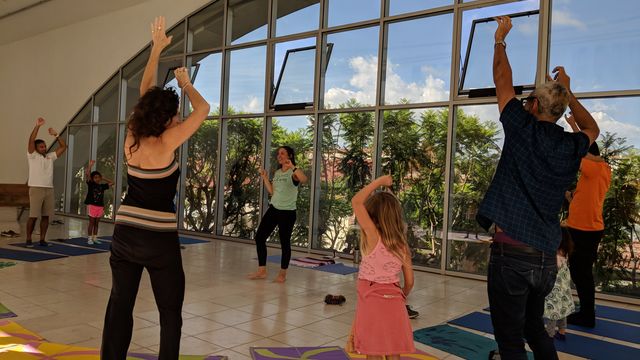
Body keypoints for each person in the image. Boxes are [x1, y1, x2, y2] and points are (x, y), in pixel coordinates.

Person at [477, 16, 599, 360]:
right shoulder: (571, 146)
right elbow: (593, 128)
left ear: (532, 106)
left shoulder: (521, 129)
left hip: (511, 256)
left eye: (529, 99)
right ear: (559, 112)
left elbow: (502, 79)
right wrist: (568, 93)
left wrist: (500, 40)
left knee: (511, 342)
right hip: (545, 260)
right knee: (534, 327)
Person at [101, 16, 210, 360]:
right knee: (170, 315)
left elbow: (145, 89)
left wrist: (156, 50)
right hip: (159, 240)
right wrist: (186, 84)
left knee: (119, 305)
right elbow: (204, 109)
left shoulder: (132, 136)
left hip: (125, 232)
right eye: (175, 115)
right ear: (165, 119)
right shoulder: (167, 141)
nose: (178, 119)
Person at [346, 175, 415, 359]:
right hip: (395, 302)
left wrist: (380, 182)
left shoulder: (373, 236)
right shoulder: (402, 245)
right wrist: (399, 296)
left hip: (372, 304)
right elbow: (409, 282)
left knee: (373, 352)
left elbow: (356, 201)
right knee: (394, 352)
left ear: (373, 216)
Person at [564, 114, 612, 328]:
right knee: (582, 274)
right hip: (588, 228)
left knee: (580, 274)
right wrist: (572, 198)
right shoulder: (602, 171)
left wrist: (574, 127)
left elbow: (580, 147)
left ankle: (587, 315)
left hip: (583, 230)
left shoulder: (593, 168)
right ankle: (586, 311)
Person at [248, 146, 308, 283]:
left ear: (290, 156)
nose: (279, 156)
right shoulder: (278, 173)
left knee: (284, 243)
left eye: (282, 153)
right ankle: (262, 270)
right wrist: (264, 178)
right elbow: (272, 192)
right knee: (259, 238)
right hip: (274, 209)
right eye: (278, 154)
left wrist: (292, 166)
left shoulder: (293, 173)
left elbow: (304, 179)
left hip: (287, 213)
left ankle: (282, 274)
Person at [26, 117, 67, 247]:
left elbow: (63, 146)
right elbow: (31, 140)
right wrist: (37, 126)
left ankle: (42, 240)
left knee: (46, 216)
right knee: (33, 216)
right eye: (41, 147)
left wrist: (56, 134)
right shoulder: (32, 155)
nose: (44, 148)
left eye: (44, 146)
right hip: (36, 188)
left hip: (49, 189)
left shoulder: (50, 156)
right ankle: (28, 239)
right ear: (36, 148)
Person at [543, 227, 575, 340]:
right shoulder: (565, 253)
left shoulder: (554, 255)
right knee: (562, 308)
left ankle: (549, 334)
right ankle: (562, 331)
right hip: (563, 286)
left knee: (553, 311)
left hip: (554, 287)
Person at [84, 159, 114, 244]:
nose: (97, 179)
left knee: (97, 223)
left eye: (98, 177)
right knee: (91, 222)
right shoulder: (91, 184)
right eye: (95, 178)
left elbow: (112, 182)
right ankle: (89, 238)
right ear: (92, 179)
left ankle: (95, 238)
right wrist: (90, 166)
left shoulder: (102, 186)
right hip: (92, 206)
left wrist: (103, 178)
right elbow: (87, 174)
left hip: (100, 206)